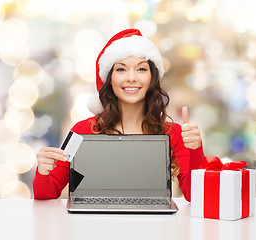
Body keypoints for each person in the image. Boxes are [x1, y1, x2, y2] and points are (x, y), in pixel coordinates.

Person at [33, 29, 205, 201]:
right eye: (121, 69)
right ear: (109, 78)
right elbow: (47, 193)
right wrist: (42, 170)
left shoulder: (174, 133)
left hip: (152, 224)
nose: (131, 78)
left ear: (152, 77)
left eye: (141, 69)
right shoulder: (82, 130)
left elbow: (195, 196)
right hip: (94, 223)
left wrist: (196, 149)